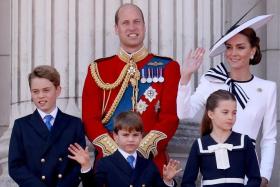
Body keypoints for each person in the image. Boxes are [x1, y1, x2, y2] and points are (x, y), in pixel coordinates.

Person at [177, 15, 276, 186]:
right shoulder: (212, 80)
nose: (233, 53)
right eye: (229, 47)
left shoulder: (267, 88)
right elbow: (184, 113)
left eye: (240, 47)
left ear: (252, 51)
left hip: (248, 172)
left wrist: (264, 176)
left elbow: (269, 138)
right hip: (213, 171)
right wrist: (185, 78)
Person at [82, 3, 180, 174]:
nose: (132, 27)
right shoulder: (97, 69)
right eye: (125, 23)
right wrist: (116, 155)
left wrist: (141, 151)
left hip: (151, 166)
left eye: (137, 22)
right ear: (116, 28)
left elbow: (170, 118)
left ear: (144, 26)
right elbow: (90, 120)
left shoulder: (168, 67)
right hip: (109, 166)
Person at [8, 65, 86, 187]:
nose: (40, 96)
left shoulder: (74, 124)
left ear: (58, 90)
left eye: (46, 90)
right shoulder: (21, 126)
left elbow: (77, 165)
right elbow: (15, 166)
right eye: (35, 91)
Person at [68, 111, 182, 187]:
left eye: (135, 135)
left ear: (141, 136)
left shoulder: (148, 165)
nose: (131, 139)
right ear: (115, 136)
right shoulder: (105, 163)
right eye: (126, 135)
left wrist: (167, 181)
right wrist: (86, 167)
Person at [181, 90, 261, 187]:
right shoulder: (199, 145)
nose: (231, 117)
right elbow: (187, 182)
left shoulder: (244, 141)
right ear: (211, 114)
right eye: (225, 112)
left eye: (234, 113)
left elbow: (255, 179)